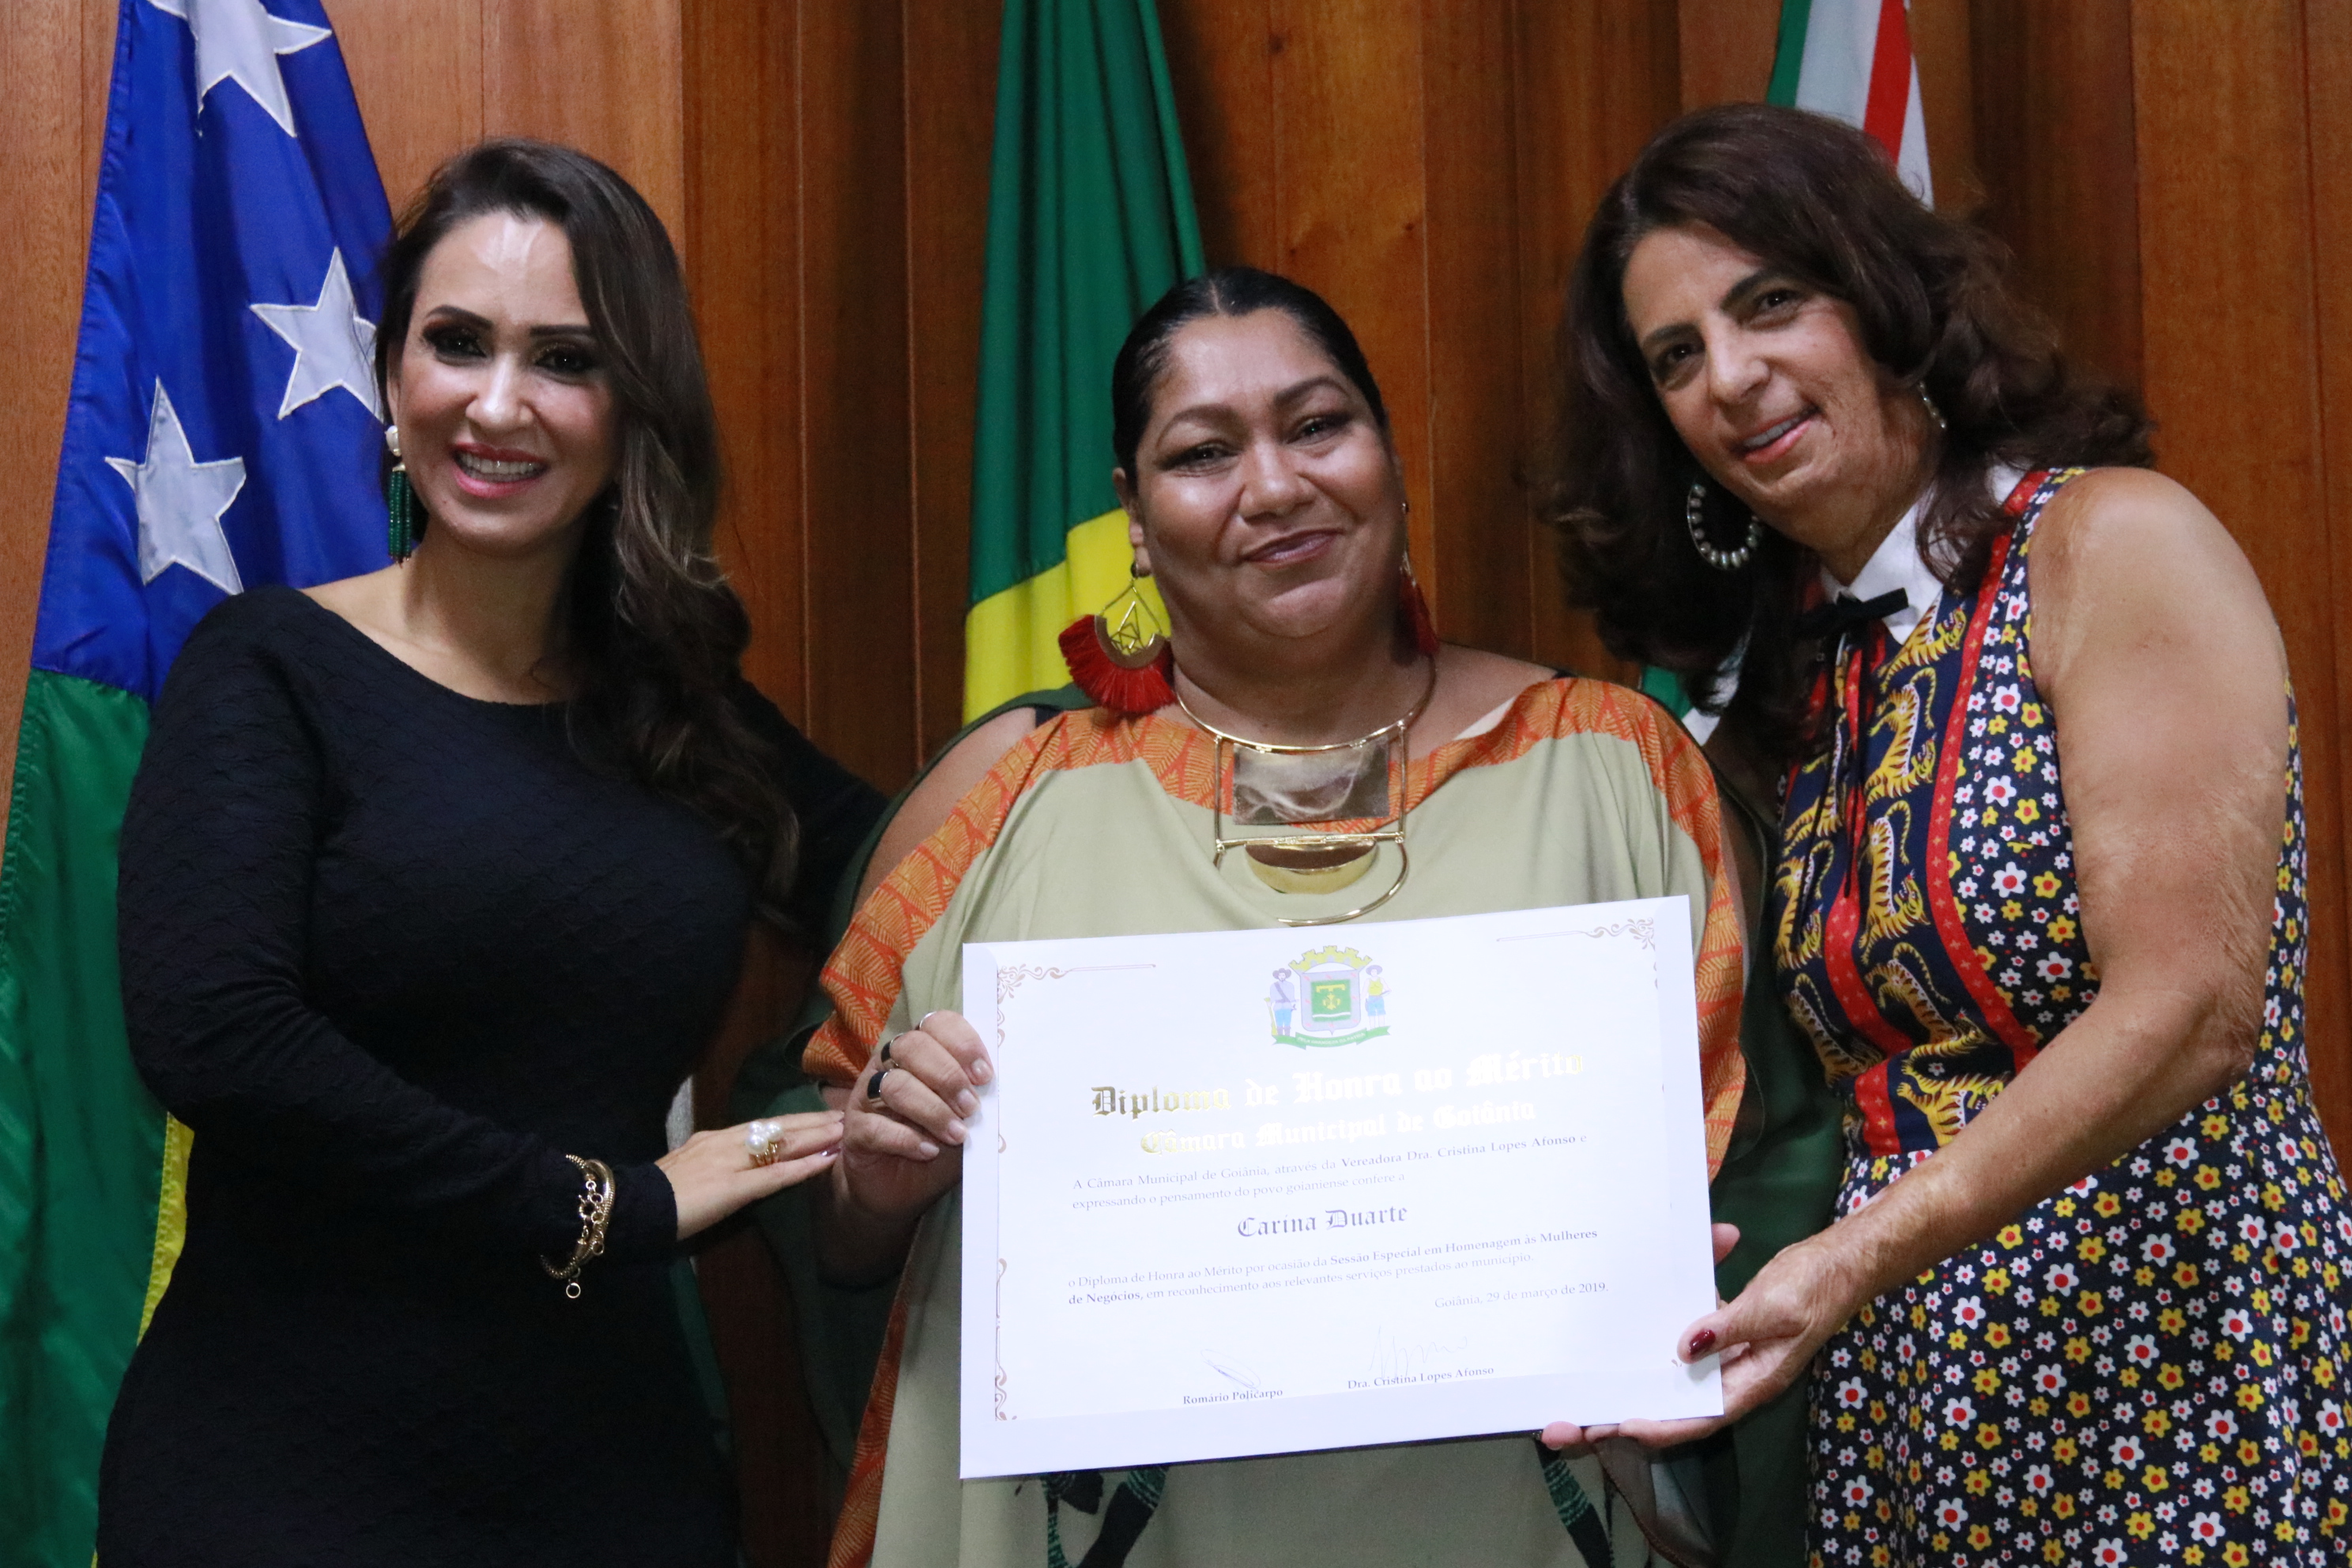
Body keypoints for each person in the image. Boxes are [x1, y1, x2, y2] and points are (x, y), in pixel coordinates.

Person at [792, 265, 1748, 1567]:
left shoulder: (1611, 769)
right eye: (1204, 452)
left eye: (1316, 425)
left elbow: (1769, 1166)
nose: (1276, 485)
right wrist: (881, 1176)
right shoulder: (1001, 802)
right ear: (1133, 518)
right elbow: (830, 1223)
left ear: (1389, 458)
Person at [1548, 102, 2352, 1566]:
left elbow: (2193, 1009)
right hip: (1912, 1416)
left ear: (1881, 296)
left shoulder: (2106, 544)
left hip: (2178, 1374)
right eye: (1676, 356)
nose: (1730, 377)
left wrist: (1849, 1260)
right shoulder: (1806, 683)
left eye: (1769, 303)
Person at [98, 140, 884, 1566]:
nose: (499, 402)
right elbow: (216, 1035)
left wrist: (1152, 727)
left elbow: (909, 867)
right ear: (393, 377)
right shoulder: (271, 665)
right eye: (457, 342)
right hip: (282, 1474)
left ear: (633, 409)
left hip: (613, 1475)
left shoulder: (684, 713)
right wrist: (602, 1206)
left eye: (565, 359)